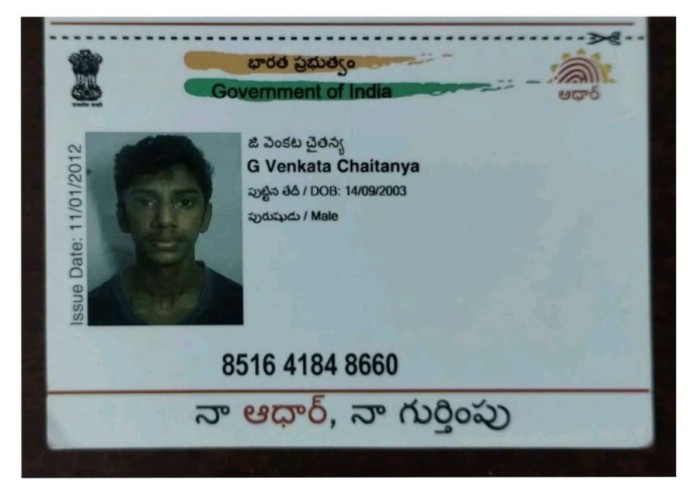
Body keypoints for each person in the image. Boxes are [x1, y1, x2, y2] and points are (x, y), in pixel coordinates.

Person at [88, 135, 243, 325]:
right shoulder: (89, 312)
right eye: (146, 202)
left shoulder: (244, 307)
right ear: (122, 217)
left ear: (206, 217)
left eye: (184, 202)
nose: (165, 220)